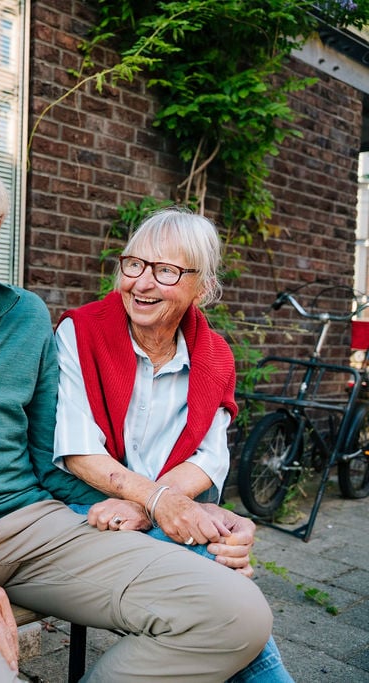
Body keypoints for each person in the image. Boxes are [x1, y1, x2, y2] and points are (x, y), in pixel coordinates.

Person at [0, 147, 272, 682]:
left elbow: (46, 460)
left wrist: (134, 511)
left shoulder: (27, 317)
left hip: (37, 527)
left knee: (237, 613)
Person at [53, 207, 293, 682]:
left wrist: (151, 505)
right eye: (134, 264)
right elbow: (77, 449)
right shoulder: (79, 332)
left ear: (200, 287)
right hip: (81, 508)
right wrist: (159, 503)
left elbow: (209, 458)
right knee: (220, 575)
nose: (141, 283)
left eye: (165, 271)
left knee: (215, 561)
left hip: (151, 512)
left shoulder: (214, 354)